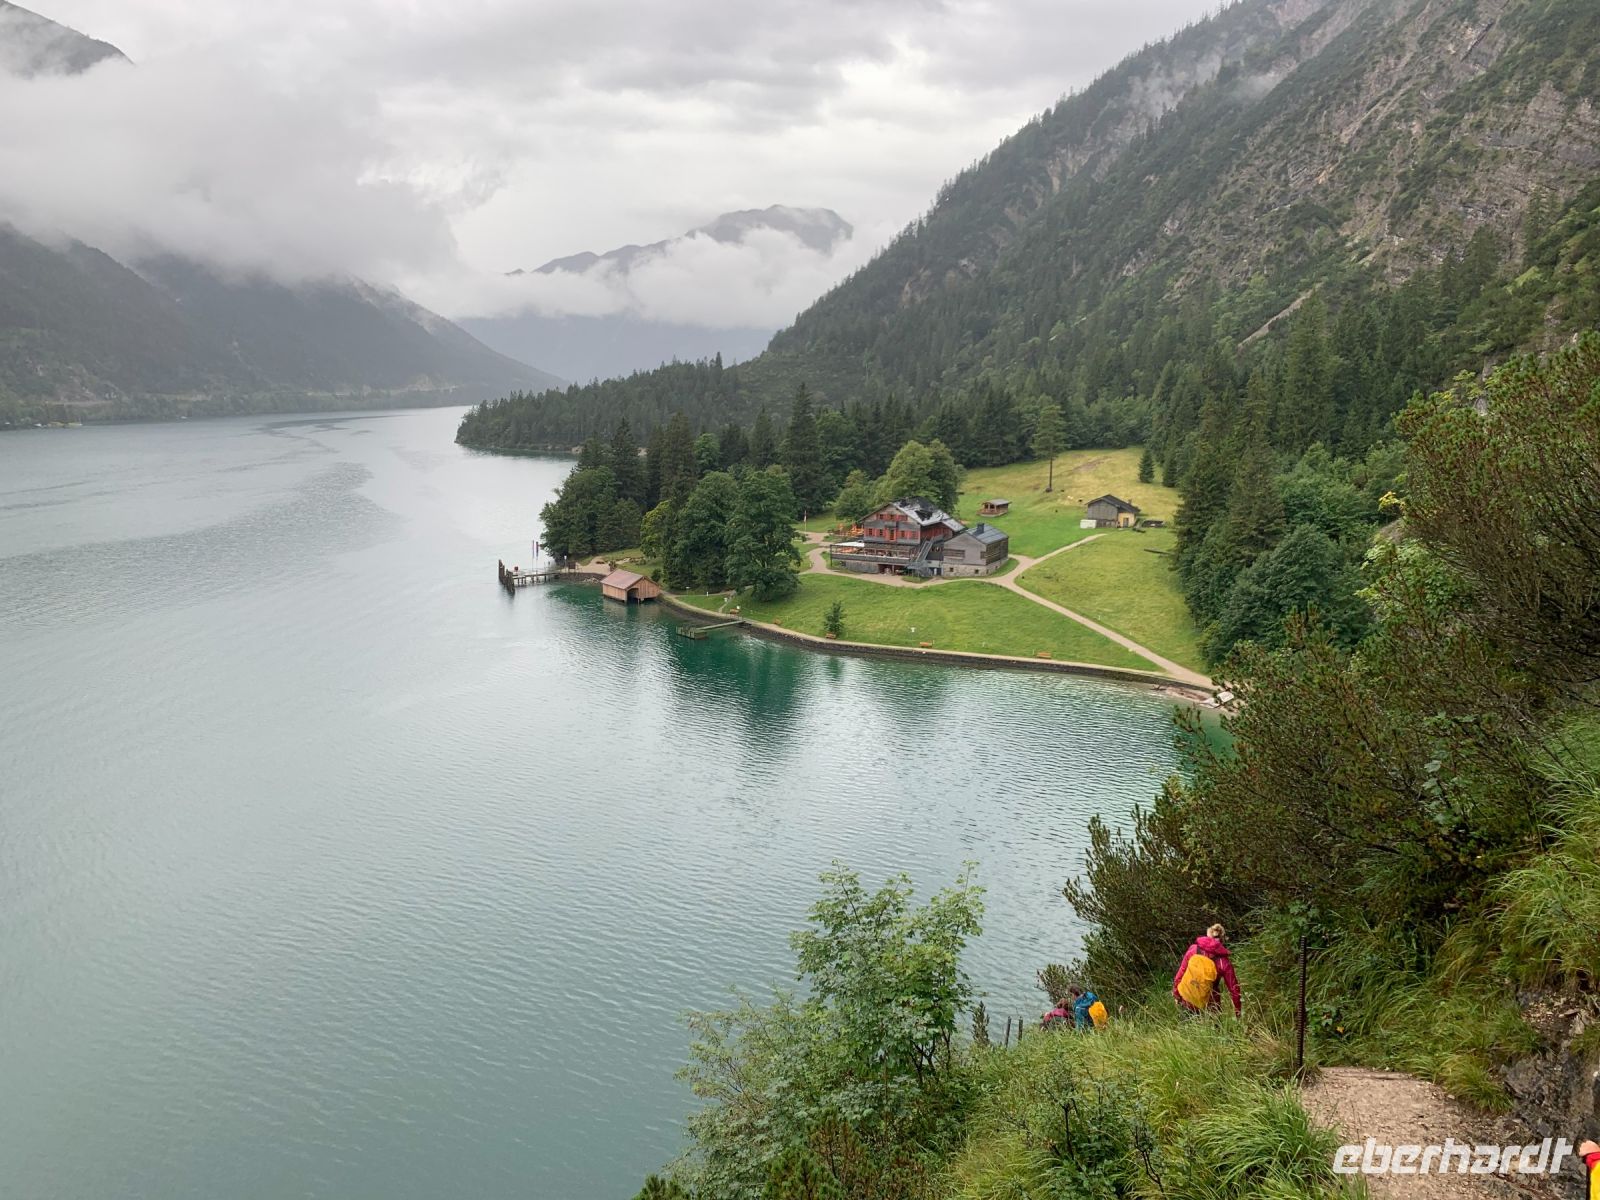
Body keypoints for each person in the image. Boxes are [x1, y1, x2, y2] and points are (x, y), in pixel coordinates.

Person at [1173, 923, 1242, 1016]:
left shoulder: (1193, 949)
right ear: (1222, 940)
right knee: (1215, 1028)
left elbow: (1181, 973)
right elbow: (1234, 989)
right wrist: (1238, 1013)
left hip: (1188, 998)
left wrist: (1177, 994)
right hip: (1211, 1005)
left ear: (1208, 935)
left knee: (1186, 1027)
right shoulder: (1224, 962)